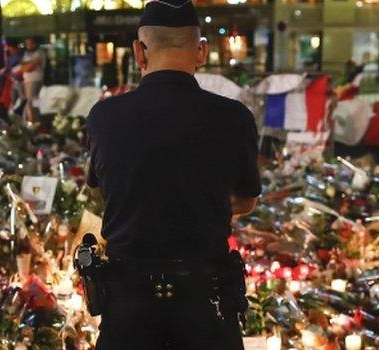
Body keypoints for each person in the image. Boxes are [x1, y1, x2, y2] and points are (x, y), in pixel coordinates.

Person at [84, 1, 260, 348]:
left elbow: (102, 192)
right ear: (202, 51)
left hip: (128, 307)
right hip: (205, 306)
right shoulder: (234, 117)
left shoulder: (104, 117)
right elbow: (246, 200)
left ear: (139, 51)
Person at [21, 37, 47, 124]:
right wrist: (27, 65)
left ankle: (33, 122)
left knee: (32, 103)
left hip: (35, 81)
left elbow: (29, 68)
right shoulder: (27, 54)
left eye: (30, 43)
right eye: (26, 44)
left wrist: (26, 65)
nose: (28, 46)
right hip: (28, 81)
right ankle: (33, 121)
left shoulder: (39, 53)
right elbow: (22, 66)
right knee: (31, 103)